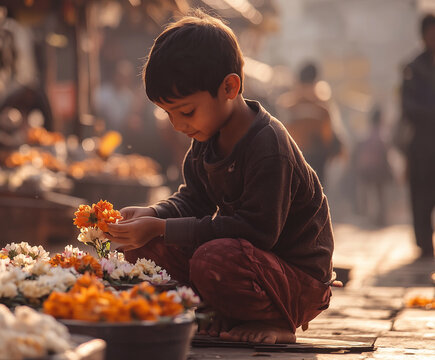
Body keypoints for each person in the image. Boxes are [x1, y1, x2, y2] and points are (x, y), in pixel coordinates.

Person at [107, 11, 335, 344]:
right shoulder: (206, 138)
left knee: (211, 259)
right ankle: (213, 312)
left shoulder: (269, 145)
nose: (177, 126)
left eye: (185, 112)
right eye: (167, 113)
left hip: (296, 281)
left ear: (229, 86)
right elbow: (193, 200)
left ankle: (276, 322)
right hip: (248, 261)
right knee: (142, 247)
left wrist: (163, 227)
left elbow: (257, 232)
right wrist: (153, 216)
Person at [401, 14, 435, 259]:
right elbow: (408, 107)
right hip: (422, 141)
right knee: (421, 194)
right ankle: (425, 243)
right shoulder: (413, 68)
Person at [276, 62, 341, 185]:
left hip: (292, 161)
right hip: (316, 164)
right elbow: (328, 137)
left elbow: (280, 136)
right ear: (316, 83)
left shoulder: (286, 106)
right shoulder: (323, 108)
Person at [354, 107, 392, 227]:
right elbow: (385, 153)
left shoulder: (366, 133)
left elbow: (359, 152)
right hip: (379, 169)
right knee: (380, 194)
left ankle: (369, 217)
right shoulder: (382, 134)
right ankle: (380, 218)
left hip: (367, 169)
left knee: (368, 193)